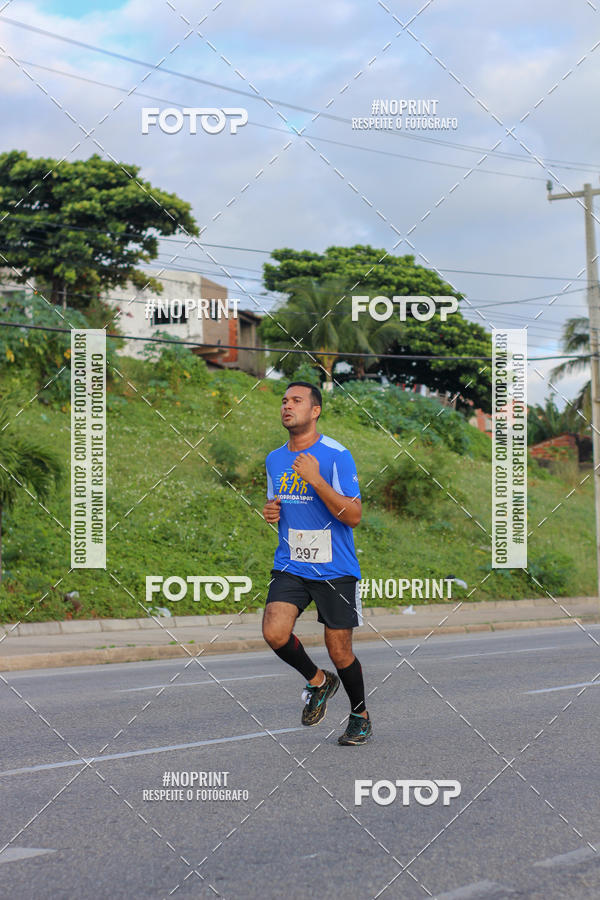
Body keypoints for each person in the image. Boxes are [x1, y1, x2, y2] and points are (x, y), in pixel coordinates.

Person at [261, 381, 372, 746]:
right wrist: (271, 511)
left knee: (339, 650)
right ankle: (318, 681)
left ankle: (360, 716)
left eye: (296, 401)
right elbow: (278, 503)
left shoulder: (337, 455)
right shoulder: (275, 459)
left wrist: (316, 480)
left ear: (315, 411)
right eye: (284, 401)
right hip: (291, 563)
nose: (287, 406)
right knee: (274, 632)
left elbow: (353, 515)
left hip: (335, 567)